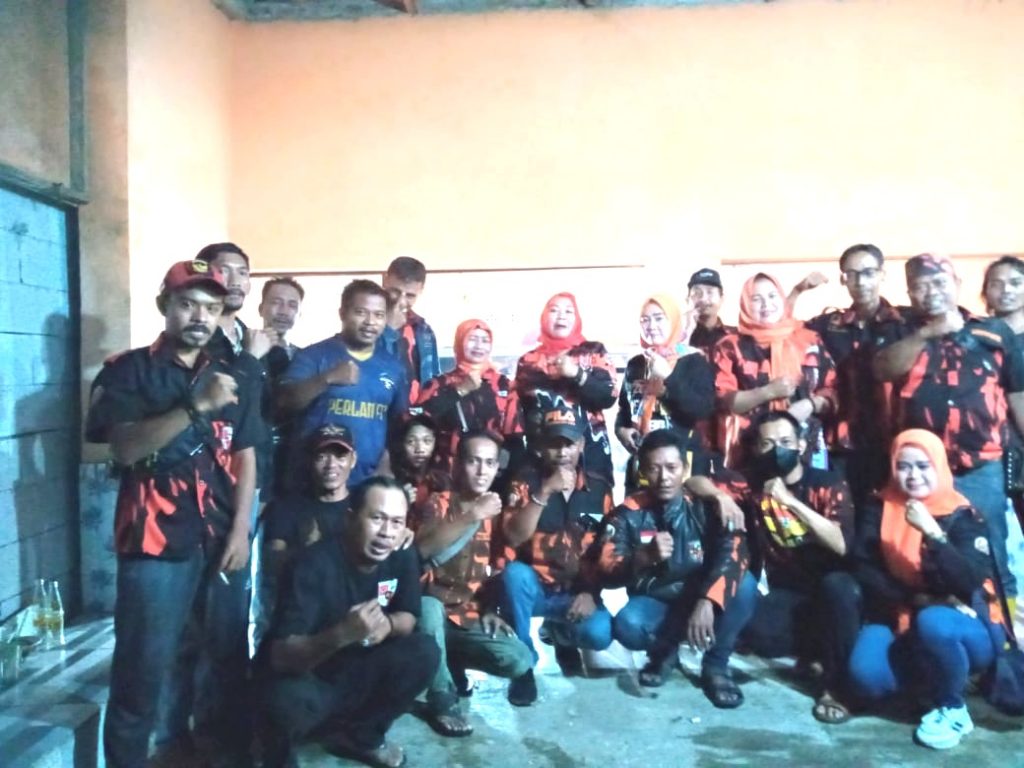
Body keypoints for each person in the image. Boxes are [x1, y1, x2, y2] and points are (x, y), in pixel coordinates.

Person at [86, 260, 260, 767]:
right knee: (141, 670)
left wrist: (241, 530)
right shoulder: (128, 370)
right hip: (154, 541)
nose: (200, 316)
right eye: (188, 304)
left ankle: (202, 752)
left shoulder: (232, 374)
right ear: (165, 305)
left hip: (221, 537)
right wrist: (193, 408)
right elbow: (123, 449)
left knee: (222, 660)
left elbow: (246, 451)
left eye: (211, 306)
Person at [874, 253, 1024, 600]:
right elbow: (883, 369)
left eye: (940, 282)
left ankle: (999, 623)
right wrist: (929, 333)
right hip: (919, 470)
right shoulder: (897, 331)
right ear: (910, 293)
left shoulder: (993, 331)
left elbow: (1016, 393)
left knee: (991, 550)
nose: (932, 292)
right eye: (921, 286)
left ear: (957, 284)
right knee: (922, 549)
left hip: (980, 467)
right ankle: (937, 618)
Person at [262, 477, 438, 768]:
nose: (387, 533)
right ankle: (276, 756)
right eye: (377, 519)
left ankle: (361, 738)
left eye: (396, 522)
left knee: (424, 651)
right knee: (283, 699)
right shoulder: (313, 563)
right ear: (350, 518)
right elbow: (280, 657)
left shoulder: (401, 553)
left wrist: (388, 626)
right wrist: (341, 634)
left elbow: (409, 615)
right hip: (315, 676)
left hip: (361, 671)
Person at [849, 429, 1008, 750]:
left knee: (935, 622)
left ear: (938, 466)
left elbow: (968, 582)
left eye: (923, 466)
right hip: (901, 612)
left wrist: (934, 534)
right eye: (903, 466)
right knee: (867, 677)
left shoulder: (964, 514)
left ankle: (953, 707)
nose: (913, 475)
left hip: (967, 625)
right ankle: (930, 683)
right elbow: (864, 568)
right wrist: (916, 598)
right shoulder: (880, 505)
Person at [593, 430, 754, 707]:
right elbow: (606, 570)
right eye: (654, 469)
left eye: (671, 468)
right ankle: (664, 654)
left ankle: (716, 665)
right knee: (629, 625)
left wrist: (708, 601)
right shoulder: (627, 513)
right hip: (658, 601)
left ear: (684, 469)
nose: (664, 477)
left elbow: (736, 552)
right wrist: (642, 557)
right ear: (642, 472)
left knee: (745, 585)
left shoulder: (709, 506)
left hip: (702, 596)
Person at [736, 411, 860, 724]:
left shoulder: (828, 482)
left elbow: (841, 544)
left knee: (839, 589)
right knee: (752, 630)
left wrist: (790, 502)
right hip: (790, 592)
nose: (777, 450)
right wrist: (717, 497)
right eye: (768, 443)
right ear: (756, 449)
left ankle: (836, 688)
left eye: (785, 442)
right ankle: (812, 654)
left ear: (802, 445)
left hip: (836, 592)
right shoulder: (753, 487)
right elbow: (697, 482)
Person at [415, 430, 533, 736]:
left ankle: (449, 658)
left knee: (519, 659)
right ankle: (442, 698)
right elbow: (423, 549)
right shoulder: (439, 503)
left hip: (465, 615)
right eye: (473, 461)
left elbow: (496, 568)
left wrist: (491, 609)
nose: (482, 471)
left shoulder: (495, 513)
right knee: (428, 607)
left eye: (490, 463)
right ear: (458, 465)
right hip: (428, 615)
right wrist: (472, 515)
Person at [499, 402, 614, 706]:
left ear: (582, 445)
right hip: (533, 589)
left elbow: (605, 549)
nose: (562, 452)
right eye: (554, 444)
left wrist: (590, 593)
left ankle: (562, 634)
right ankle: (522, 667)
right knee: (514, 576)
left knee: (600, 634)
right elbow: (513, 536)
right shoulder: (524, 483)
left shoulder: (599, 489)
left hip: (574, 592)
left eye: (569, 443)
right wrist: (544, 491)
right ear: (541, 447)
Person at [803, 244, 906, 507]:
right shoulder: (828, 325)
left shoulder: (904, 323)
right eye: (852, 274)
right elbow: (784, 331)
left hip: (892, 442)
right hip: (842, 443)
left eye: (869, 272)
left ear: (882, 274)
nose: (860, 282)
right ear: (843, 279)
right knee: (846, 517)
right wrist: (798, 291)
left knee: (887, 518)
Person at [277, 279, 408, 486]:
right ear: (342, 313)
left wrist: (387, 462)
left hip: (367, 485)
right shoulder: (313, 356)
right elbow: (284, 402)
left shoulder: (393, 367)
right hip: (311, 483)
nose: (370, 322)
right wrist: (327, 378)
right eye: (361, 312)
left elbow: (399, 425)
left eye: (378, 315)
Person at [712, 273, 836, 468]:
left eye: (772, 296)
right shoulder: (730, 346)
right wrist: (768, 392)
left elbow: (832, 390)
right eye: (756, 299)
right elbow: (725, 401)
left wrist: (811, 404)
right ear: (745, 303)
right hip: (750, 448)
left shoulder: (809, 340)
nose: (766, 304)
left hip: (805, 446)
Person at [513, 292, 618, 485]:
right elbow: (524, 410)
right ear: (544, 317)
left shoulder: (594, 352)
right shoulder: (528, 360)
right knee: (545, 499)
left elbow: (608, 396)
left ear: (577, 318)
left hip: (590, 449)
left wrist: (577, 374)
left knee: (593, 500)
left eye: (569, 311)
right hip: (544, 452)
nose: (561, 316)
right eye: (554, 310)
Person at [616, 294, 716, 491]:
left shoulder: (693, 360)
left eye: (659, 318)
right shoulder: (636, 364)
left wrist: (668, 378)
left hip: (683, 464)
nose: (651, 326)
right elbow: (625, 410)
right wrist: (621, 430)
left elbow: (702, 409)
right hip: (643, 464)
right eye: (645, 320)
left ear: (673, 320)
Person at [415, 318, 521, 473]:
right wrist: (460, 390)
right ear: (459, 342)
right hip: (446, 473)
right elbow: (419, 421)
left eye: (485, 341)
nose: (479, 346)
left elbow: (515, 439)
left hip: (488, 474)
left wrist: (508, 477)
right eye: (472, 339)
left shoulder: (504, 385)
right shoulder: (439, 384)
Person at [254, 276, 306, 504]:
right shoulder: (243, 352)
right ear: (261, 308)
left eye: (292, 305)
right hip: (253, 456)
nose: (284, 311)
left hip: (293, 459)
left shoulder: (305, 358)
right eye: (276, 302)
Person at [380, 256, 440, 401]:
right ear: (385, 281)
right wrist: (389, 330)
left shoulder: (424, 330)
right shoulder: (367, 323)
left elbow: (434, 380)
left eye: (410, 296)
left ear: (421, 290)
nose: (401, 301)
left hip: (416, 411)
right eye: (395, 291)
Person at [389, 413, 451, 527]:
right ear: (402, 444)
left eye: (427, 441)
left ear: (435, 444)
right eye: (411, 442)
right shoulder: (392, 481)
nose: (419, 449)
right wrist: (399, 503)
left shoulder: (444, 481)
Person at [687, 269, 736, 353]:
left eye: (710, 292)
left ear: (722, 298)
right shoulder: (677, 338)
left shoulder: (737, 337)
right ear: (688, 299)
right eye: (697, 293)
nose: (703, 299)